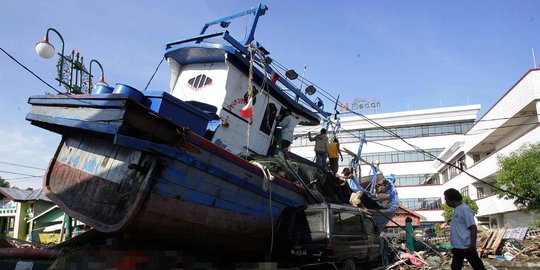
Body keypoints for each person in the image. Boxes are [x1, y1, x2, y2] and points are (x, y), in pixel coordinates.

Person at [444, 188, 486, 270]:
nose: (446, 202)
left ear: (452, 199)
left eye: (446, 199)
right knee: (455, 267)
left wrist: (472, 245)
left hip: (467, 247)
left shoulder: (464, 209)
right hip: (458, 247)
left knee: (478, 267)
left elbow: (473, 227)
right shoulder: (456, 210)